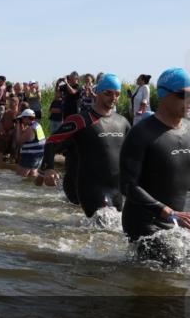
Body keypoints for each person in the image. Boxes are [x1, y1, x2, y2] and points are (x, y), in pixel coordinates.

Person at [119, 68, 190, 265]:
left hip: (175, 221)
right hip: (144, 224)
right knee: (176, 273)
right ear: (163, 95)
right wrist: (170, 212)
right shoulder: (141, 133)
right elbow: (127, 185)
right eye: (184, 95)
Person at [37, 74, 130, 217]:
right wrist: (49, 169)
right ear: (97, 92)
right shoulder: (80, 120)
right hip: (92, 188)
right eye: (108, 93)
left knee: (115, 235)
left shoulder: (122, 122)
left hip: (117, 190)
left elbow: (134, 153)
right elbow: (51, 142)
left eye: (117, 94)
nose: (113, 98)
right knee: (101, 230)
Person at [15, 108, 46, 176]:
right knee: (32, 175)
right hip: (38, 155)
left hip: (30, 155)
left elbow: (19, 141)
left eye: (22, 118)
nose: (22, 121)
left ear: (26, 118)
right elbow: (30, 139)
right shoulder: (37, 125)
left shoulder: (30, 129)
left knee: (20, 176)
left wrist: (17, 126)